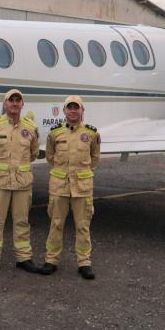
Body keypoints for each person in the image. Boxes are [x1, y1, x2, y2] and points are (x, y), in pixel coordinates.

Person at [39, 95, 101, 280]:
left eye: (77, 108)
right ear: (64, 111)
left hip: (82, 187)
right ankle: (51, 260)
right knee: (56, 223)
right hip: (60, 186)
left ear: (82, 110)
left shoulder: (91, 134)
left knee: (83, 226)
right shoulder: (55, 133)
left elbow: (94, 159)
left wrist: (81, 174)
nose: (73, 111)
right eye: (69, 107)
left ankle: (84, 262)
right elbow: (50, 157)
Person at [0, 89, 40, 274]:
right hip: (0, 182)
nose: (14, 104)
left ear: (22, 105)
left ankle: (23, 257)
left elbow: (34, 153)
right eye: (11, 100)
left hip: (22, 183)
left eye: (18, 101)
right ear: (5, 104)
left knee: (22, 221)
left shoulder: (30, 128)